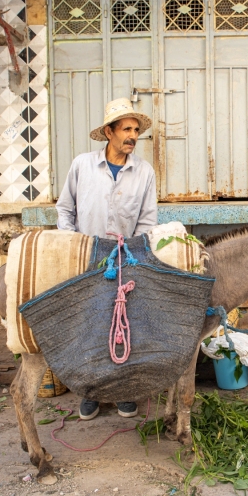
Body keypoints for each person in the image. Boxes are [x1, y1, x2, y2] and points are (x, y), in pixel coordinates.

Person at [55, 97, 157, 421]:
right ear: (109, 132)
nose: (132, 136)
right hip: (87, 254)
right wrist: (73, 244)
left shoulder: (144, 173)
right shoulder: (82, 165)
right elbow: (64, 209)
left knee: (125, 325)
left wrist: (135, 252)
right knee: (89, 325)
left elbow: (147, 220)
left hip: (126, 257)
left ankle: (124, 391)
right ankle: (91, 391)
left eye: (136, 130)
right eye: (126, 129)